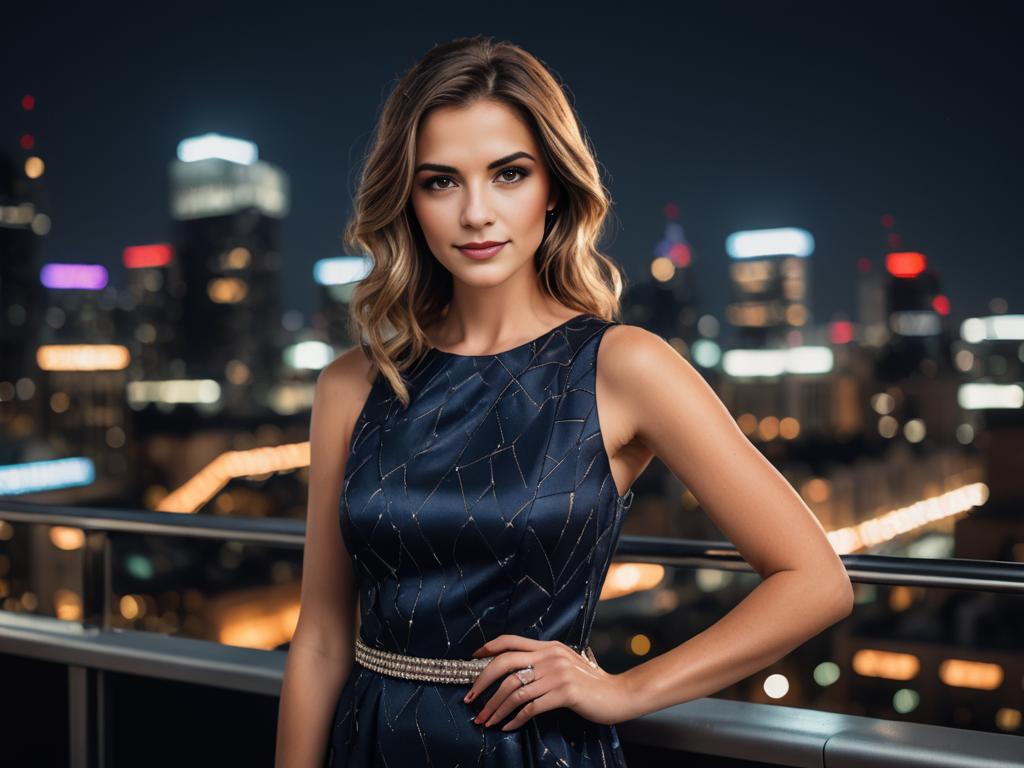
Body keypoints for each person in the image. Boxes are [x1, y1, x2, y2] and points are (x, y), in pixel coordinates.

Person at [275, 35, 854, 768]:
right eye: (442, 181)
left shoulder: (623, 365)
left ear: (554, 187)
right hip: (371, 746)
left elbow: (817, 581)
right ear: (409, 199)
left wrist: (627, 690)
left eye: (509, 174)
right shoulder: (354, 383)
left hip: (533, 751)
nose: (476, 213)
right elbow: (323, 637)